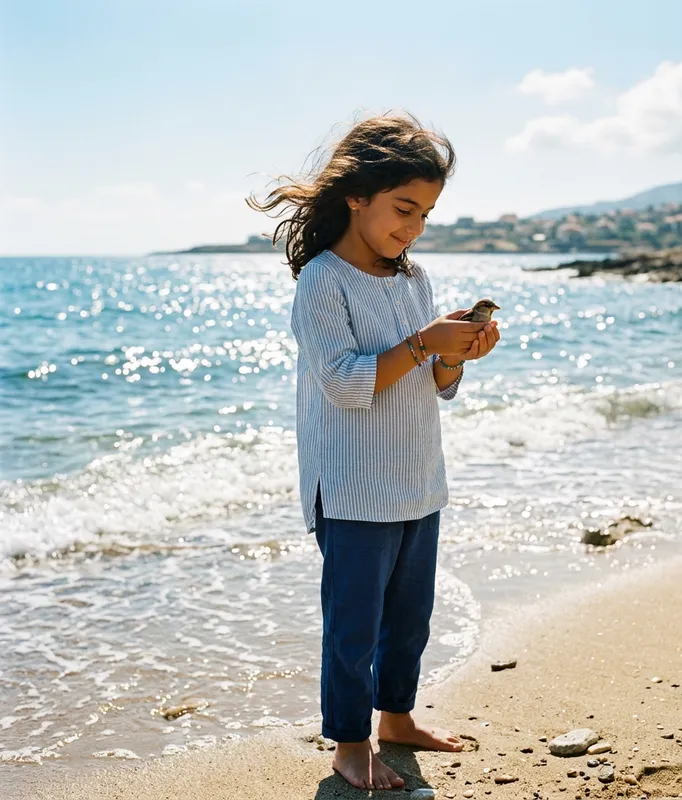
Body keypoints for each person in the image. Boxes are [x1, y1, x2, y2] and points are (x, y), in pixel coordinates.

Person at [248, 113, 500, 791]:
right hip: (355, 489)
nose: (414, 228)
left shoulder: (414, 278)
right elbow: (345, 382)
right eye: (404, 209)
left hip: (419, 480)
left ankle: (396, 719)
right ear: (357, 195)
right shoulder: (323, 282)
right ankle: (350, 742)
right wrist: (426, 344)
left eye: (426, 214)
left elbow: (435, 386)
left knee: (409, 621)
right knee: (353, 626)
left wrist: (457, 355)